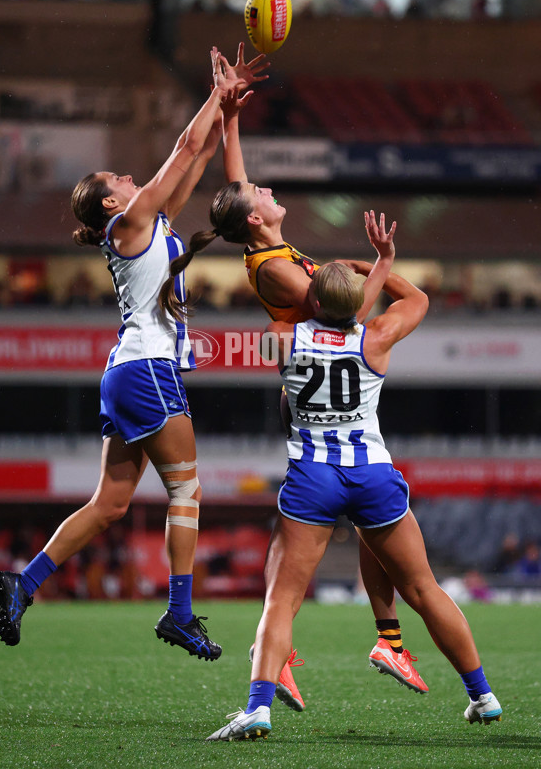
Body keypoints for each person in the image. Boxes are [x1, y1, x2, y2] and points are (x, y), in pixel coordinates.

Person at [160, 49, 426, 703]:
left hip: (317, 383)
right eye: (263, 195)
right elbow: (340, 318)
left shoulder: (266, 243)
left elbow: (236, 178)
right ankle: (345, 644)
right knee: (340, 523)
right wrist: (377, 272)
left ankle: (363, 642)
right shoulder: (274, 269)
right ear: (254, 217)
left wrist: (231, 115)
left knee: (350, 523)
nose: (270, 189)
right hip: (320, 388)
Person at [0, 51, 257, 660]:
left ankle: (22, 584)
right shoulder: (128, 226)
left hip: (128, 371)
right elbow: (183, 150)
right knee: (186, 491)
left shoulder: (148, 224)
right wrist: (215, 95)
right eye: (122, 180)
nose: (132, 180)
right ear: (111, 204)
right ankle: (180, 613)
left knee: (110, 503)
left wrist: (228, 112)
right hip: (148, 370)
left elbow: (196, 160)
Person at [206, 260, 502, 741]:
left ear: (315, 302)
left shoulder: (280, 336)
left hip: (312, 477)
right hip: (372, 476)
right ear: (360, 303)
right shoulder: (377, 337)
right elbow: (418, 300)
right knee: (425, 589)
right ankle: (482, 696)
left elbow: (283, 313)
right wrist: (378, 263)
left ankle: (257, 709)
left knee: (281, 600)